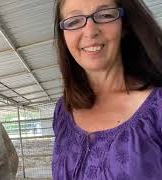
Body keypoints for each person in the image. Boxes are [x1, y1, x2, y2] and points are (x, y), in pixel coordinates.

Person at [52, 0, 162, 179]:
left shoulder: (157, 109)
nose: (90, 31)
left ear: (124, 25)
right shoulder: (63, 111)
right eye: (73, 21)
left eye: (105, 15)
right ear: (63, 35)